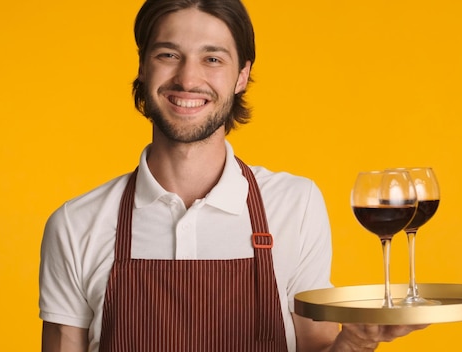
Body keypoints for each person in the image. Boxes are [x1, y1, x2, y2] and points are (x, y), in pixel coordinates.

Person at [39, 0, 427, 351]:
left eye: (212, 59)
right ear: (142, 66)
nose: (188, 79)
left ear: (242, 75)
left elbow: (317, 346)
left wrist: (355, 343)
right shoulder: (76, 224)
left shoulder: (295, 204)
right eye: (169, 54)